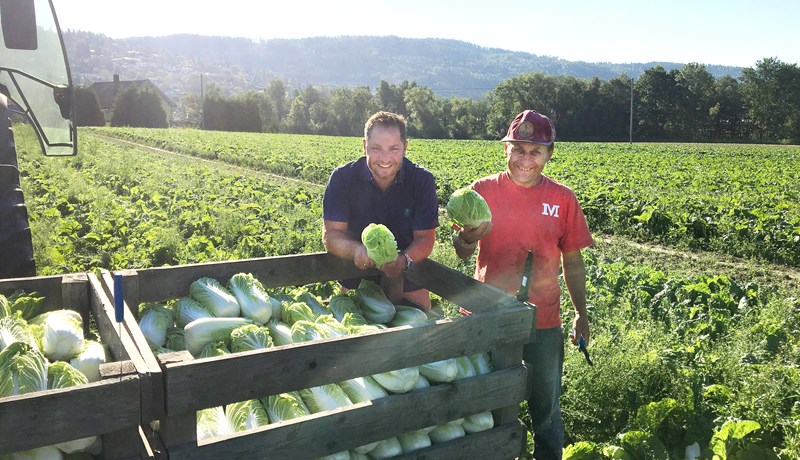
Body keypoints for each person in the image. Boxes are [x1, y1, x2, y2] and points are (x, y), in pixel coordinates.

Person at [452, 110, 593, 459]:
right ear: (506, 150)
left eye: (535, 152)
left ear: (549, 154)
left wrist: (581, 314)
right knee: (482, 403)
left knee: (545, 408)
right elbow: (461, 253)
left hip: (542, 321)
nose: (525, 160)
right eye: (518, 150)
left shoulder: (563, 199)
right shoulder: (482, 191)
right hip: (486, 316)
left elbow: (572, 261)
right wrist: (468, 238)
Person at [322, 111, 439, 308]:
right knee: (355, 332)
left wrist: (404, 260)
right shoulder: (343, 178)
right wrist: (356, 250)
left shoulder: (421, 180)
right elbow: (331, 235)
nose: (385, 158)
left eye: (394, 149)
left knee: (421, 331)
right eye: (376, 148)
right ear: (364, 146)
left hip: (409, 280)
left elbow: (425, 238)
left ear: (405, 148)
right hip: (356, 279)